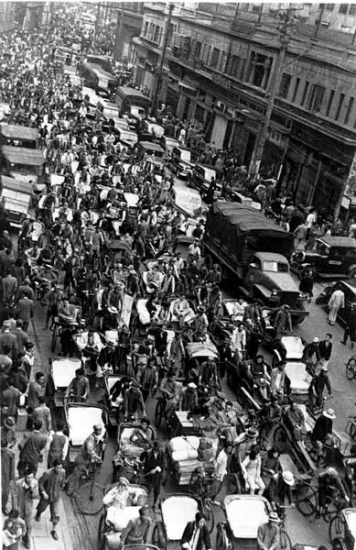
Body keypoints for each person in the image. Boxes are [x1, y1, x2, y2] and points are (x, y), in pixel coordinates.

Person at [35, 460, 66, 541]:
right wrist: (43, 492)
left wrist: (61, 487)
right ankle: (38, 513)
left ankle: (54, 530)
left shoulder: (62, 472)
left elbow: (62, 482)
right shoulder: (47, 474)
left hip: (56, 497)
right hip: (47, 495)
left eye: (61, 467)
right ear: (54, 467)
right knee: (42, 507)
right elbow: (40, 483)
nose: (59, 469)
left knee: (55, 513)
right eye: (58, 467)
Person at [13, 467, 39, 549]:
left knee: (29, 525)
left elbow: (36, 496)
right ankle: (16, 540)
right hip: (19, 507)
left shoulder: (35, 483)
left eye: (31, 477)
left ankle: (27, 540)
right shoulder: (18, 483)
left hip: (29, 508)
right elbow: (14, 496)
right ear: (24, 477)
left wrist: (31, 491)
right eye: (28, 477)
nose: (30, 479)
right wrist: (15, 508)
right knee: (18, 525)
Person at [140, 440, 165, 511]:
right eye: (158, 448)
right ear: (154, 447)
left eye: (160, 448)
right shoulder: (148, 453)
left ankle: (154, 504)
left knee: (157, 491)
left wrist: (158, 468)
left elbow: (163, 464)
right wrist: (144, 466)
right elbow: (141, 457)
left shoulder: (162, 453)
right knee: (148, 490)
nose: (159, 449)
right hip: (149, 477)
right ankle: (145, 504)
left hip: (158, 477)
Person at [1, 436, 16, 515]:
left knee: (5, 492)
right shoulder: (11, 453)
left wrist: (11, 479)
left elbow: (12, 468)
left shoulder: (11, 454)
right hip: (4, 476)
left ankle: (3, 506)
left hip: (5, 476)